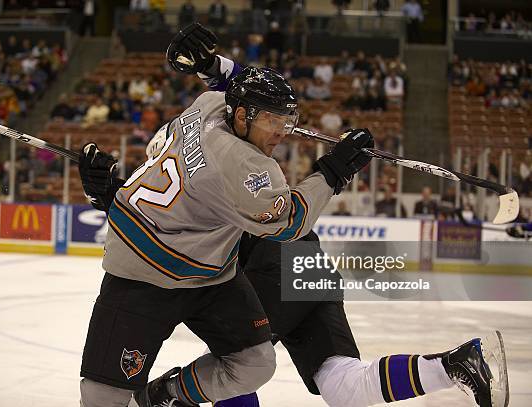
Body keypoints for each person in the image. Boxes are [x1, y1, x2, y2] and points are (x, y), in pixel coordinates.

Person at [182, 24, 509, 407]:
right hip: (309, 264)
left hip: (272, 260)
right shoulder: (235, 132)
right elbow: (244, 88)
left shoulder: (218, 149)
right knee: (344, 386)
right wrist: (211, 66)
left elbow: (244, 92)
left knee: (236, 363)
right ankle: (457, 365)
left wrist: (212, 69)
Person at [77, 22, 374, 407]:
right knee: (101, 398)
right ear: (242, 117)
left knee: (254, 363)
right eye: (271, 120)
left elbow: (234, 81)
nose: (281, 131)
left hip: (208, 273)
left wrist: (210, 65)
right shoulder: (246, 167)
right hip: (143, 274)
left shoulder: (210, 104)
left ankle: (165, 395)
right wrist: (336, 171)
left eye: (285, 120)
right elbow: (291, 223)